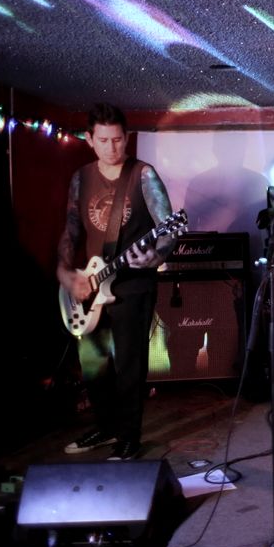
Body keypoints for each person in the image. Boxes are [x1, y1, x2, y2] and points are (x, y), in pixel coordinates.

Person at [57, 103, 175, 461]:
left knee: (130, 365)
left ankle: (128, 436)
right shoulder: (81, 177)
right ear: (89, 139)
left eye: (118, 139)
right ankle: (105, 427)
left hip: (133, 285)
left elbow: (168, 230)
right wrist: (66, 273)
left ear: (127, 137)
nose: (112, 147)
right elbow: (71, 230)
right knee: (93, 365)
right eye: (104, 140)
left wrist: (153, 257)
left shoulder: (143, 175)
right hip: (91, 285)